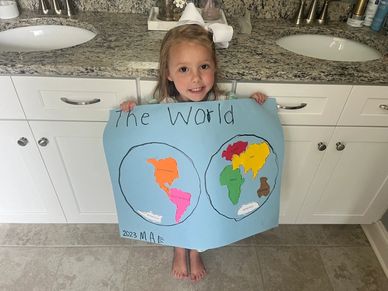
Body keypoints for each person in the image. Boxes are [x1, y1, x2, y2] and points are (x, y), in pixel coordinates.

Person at [120, 24, 267, 281]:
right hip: (179, 177)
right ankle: (179, 249)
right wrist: (131, 109)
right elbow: (144, 124)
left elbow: (243, 119)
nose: (196, 79)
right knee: (178, 209)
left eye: (204, 67)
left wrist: (254, 105)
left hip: (210, 178)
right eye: (184, 69)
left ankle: (196, 251)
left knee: (204, 213)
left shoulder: (224, 103)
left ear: (214, 67)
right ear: (168, 74)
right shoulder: (162, 106)